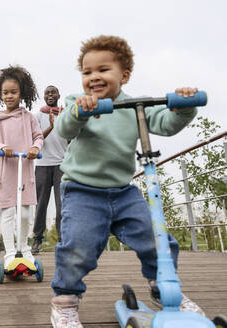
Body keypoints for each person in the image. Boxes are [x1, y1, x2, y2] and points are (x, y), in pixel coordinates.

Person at [49, 35, 205, 327]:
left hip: (124, 192)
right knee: (77, 248)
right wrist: (80, 111)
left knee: (157, 240)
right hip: (82, 191)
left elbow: (165, 124)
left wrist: (184, 106)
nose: (94, 77)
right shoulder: (77, 102)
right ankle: (65, 302)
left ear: (124, 75)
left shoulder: (136, 106)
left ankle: (165, 291)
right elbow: (64, 126)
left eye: (103, 70)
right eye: (87, 72)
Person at [0, 65, 43, 268]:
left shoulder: (28, 118)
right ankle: (10, 250)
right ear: (0, 94)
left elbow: (38, 137)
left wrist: (35, 148)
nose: (9, 96)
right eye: (5, 92)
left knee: (26, 211)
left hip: (24, 167)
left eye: (13, 92)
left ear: (22, 93)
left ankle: (24, 247)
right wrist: (2, 147)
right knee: (8, 212)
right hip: (4, 169)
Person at [32, 85, 68, 254]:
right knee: (41, 204)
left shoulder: (65, 114)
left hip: (62, 164)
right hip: (42, 165)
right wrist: (52, 126)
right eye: (47, 93)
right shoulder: (38, 116)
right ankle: (37, 239)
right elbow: (37, 138)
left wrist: (62, 122)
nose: (50, 95)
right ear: (44, 96)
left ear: (59, 95)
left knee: (62, 205)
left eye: (53, 92)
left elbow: (71, 138)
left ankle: (63, 239)